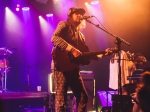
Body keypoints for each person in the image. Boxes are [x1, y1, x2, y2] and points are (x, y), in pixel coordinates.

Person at [51, 7, 111, 112]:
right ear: (70, 16)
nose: (80, 15)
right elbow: (54, 38)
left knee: (83, 97)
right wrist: (71, 49)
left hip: (73, 67)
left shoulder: (81, 36)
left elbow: (83, 55)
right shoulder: (64, 25)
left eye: (81, 14)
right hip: (61, 67)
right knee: (61, 100)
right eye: (76, 13)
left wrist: (102, 54)